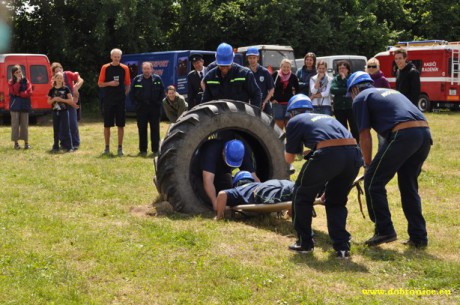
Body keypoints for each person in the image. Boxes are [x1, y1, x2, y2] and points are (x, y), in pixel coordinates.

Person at [349, 71, 432, 248]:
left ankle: (384, 230)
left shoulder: (361, 98)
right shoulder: (390, 92)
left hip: (404, 134)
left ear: (354, 89)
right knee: (408, 185)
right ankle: (419, 237)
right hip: (424, 133)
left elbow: (364, 135)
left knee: (373, 181)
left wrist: (368, 164)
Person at [284, 94, 362, 258]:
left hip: (329, 154)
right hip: (354, 154)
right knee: (336, 201)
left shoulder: (294, 121)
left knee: (301, 194)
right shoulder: (327, 118)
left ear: (291, 112)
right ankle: (342, 248)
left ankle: (304, 243)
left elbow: (289, 158)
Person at [200, 139, 260, 212]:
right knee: (205, 196)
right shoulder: (211, 151)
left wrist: (261, 195)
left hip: (223, 174)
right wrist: (215, 203)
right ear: (223, 152)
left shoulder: (242, 152)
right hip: (201, 173)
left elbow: (254, 177)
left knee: (227, 189)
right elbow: (208, 180)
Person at [215, 171, 295, 220]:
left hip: (261, 191)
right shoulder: (256, 183)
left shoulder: (239, 189)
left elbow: (222, 194)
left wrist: (219, 216)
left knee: (286, 193)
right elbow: (290, 202)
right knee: (293, 189)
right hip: (273, 183)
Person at [202, 42, 261, 107]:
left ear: (232, 59)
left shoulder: (245, 74)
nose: (224, 68)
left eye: (227, 65)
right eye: (221, 66)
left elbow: (256, 95)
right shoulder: (210, 77)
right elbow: (205, 101)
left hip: (240, 114)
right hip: (218, 114)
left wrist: (253, 114)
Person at [98, 48, 131, 156]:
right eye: (115, 56)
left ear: (120, 58)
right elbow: (100, 84)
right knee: (107, 125)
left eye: (118, 57)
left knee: (120, 125)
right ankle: (106, 147)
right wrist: (110, 83)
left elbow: (128, 84)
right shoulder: (105, 67)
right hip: (108, 100)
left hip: (120, 100)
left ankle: (120, 148)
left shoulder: (124, 68)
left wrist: (124, 94)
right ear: (111, 57)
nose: (116, 58)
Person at [129, 61, 165, 157]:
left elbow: (162, 92)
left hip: (154, 109)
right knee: (142, 129)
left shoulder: (157, 79)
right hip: (141, 109)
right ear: (142, 69)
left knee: (155, 129)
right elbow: (131, 94)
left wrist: (158, 103)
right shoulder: (137, 79)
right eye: (144, 69)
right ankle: (143, 150)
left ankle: (156, 150)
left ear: (151, 69)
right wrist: (136, 105)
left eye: (148, 68)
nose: (146, 71)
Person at [51, 62, 84, 149]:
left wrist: (76, 87)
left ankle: (75, 143)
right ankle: (64, 144)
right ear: (54, 73)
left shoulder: (68, 74)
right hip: (60, 105)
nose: (60, 72)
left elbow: (80, 79)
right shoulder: (53, 80)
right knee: (62, 125)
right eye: (57, 71)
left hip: (71, 103)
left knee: (72, 123)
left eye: (60, 69)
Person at [47, 72, 78, 152]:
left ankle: (69, 147)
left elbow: (70, 100)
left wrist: (61, 100)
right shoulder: (52, 90)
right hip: (55, 112)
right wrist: (54, 99)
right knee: (56, 129)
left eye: (61, 78)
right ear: (55, 79)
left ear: (63, 80)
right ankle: (55, 146)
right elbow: (48, 102)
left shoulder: (66, 89)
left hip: (64, 112)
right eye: (58, 78)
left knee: (66, 129)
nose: (60, 80)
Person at [366, 57, 391, 151]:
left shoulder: (383, 80)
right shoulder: (365, 79)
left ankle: (382, 157)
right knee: (365, 135)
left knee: (382, 138)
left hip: (380, 112)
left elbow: (389, 95)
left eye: (374, 66)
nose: (371, 68)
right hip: (368, 111)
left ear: (378, 67)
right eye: (369, 66)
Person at [330, 60, 359, 142]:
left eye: (343, 68)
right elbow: (333, 90)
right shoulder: (335, 79)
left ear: (348, 69)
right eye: (340, 68)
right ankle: (345, 144)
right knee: (342, 128)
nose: (342, 70)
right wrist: (346, 90)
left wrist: (344, 79)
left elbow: (352, 88)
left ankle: (356, 144)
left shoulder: (352, 78)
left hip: (351, 107)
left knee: (354, 127)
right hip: (339, 107)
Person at [8, 65, 32, 150]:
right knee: (15, 125)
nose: (18, 73)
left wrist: (20, 94)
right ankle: (16, 143)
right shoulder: (11, 82)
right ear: (13, 74)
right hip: (14, 106)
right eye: (16, 72)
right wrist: (17, 82)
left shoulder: (26, 81)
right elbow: (13, 92)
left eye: (19, 72)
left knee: (24, 125)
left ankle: (26, 143)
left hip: (24, 105)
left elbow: (29, 92)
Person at [271, 58, 299, 130]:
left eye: (288, 67)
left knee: (289, 124)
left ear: (290, 68)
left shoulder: (293, 76)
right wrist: (272, 99)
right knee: (278, 126)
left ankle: (289, 141)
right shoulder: (275, 74)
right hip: (277, 104)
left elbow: (298, 90)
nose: (286, 69)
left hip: (289, 104)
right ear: (281, 67)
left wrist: (294, 101)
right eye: (284, 67)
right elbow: (268, 87)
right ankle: (279, 141)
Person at [246, 47, 274, 115]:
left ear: (257, 58)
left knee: (270, 123)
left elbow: (271, 89)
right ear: (247, 59)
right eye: (250, 58)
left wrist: (265, 102)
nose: (252, 60)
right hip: (250, 103)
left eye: (254, 57)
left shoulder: (265, 72)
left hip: (264, 103)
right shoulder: (245, 72)